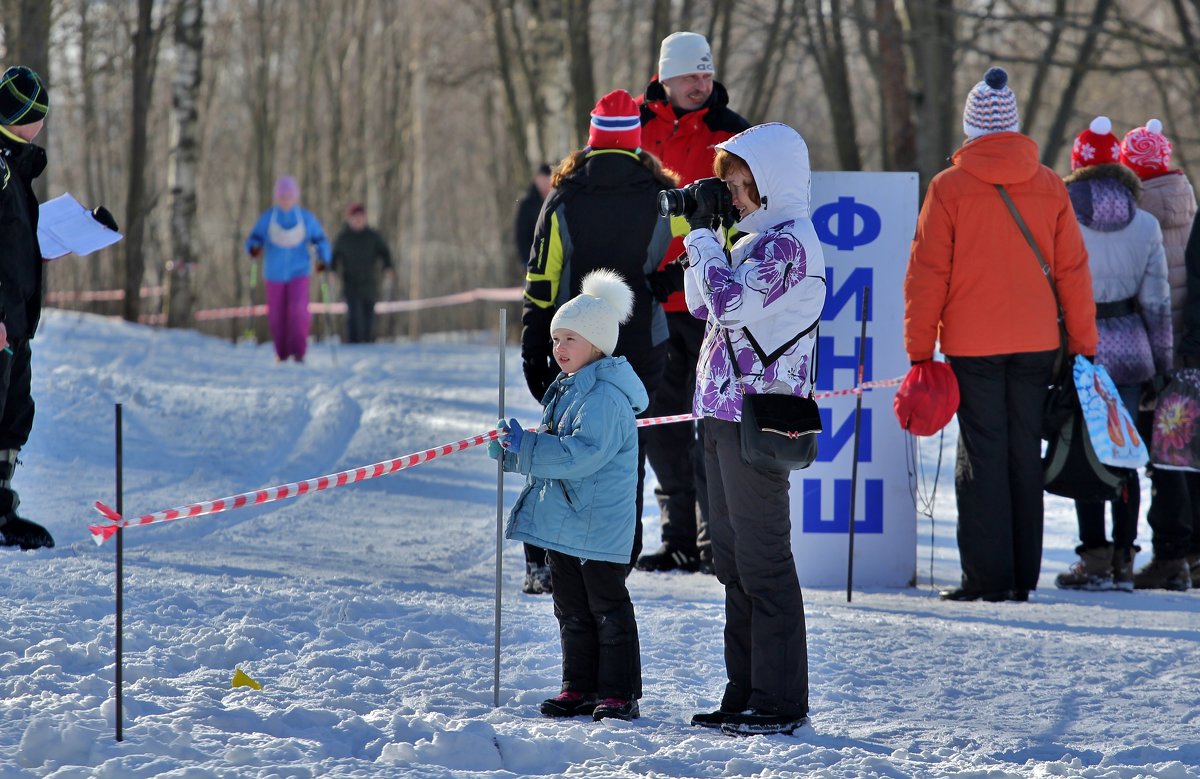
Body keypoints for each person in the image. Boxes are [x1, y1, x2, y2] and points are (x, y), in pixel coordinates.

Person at [904, 67, 1098, 602]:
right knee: (1021, 455)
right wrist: (1083, 346)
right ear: (1013, 128)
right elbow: (1073, 274)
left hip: (973, 346)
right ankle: (1020, 577)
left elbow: (927, 274)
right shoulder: (1049, 185)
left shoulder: (949, 188)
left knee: (982, 456)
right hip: (1039, 344)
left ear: (971, 128)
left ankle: (986, 578)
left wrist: (920, 350)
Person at [683, 122, 824, 736]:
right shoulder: (749, 243)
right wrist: (705, 238)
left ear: (773, 184)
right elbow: (697, 300)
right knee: (734, 565)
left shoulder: (792, 246)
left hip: (759, 422)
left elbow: (728, 304)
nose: (732, 198)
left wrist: (705, 241)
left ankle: (780, 698)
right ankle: (743, 690)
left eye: (741, 186)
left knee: (764, 562)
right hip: (720, 417)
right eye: (728, 186)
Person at [521, 89, 675, 570]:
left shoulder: (564, 196)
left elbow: (543, 277)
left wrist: (533, 340)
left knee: (564, 440)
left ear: (592, 139)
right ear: (634, 140)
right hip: (641, 346)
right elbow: (705, 247)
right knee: (627, 447)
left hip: (573, 346)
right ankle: (617, 557)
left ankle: (553, 558)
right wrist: (670, 280)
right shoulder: (662, 194)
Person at [492, 269, 647, 722]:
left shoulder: (604, 397)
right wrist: (513, 452)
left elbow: (580, 456)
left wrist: (532, 449)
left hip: (598, 526)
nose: (558, 348)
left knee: (606, 609)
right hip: (566, 524)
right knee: (571, 610)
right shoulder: (570, 389)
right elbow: (551, 450)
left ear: (597, 344)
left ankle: (618, 691)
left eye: (569, 339)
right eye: (556, 339)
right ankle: (577, 685)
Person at [636, 31, 750, 575]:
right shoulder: (636, 128)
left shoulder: (734, 132)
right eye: (691, 76)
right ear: (665, 78)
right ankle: (677, 536)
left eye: (706, 74)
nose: (702, 84)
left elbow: (748, 216)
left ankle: (712, 542)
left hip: (715, 301)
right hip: (654, 302)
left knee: (715, 422)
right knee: (661, 422)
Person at [1052, 116, 1170, 592]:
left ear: (1077, 166)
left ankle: (1094, 556)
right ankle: (1125, 557)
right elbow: (1158, 303)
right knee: (1125, 452)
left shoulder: (1062, 213)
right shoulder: (1145, 223)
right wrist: (1161, 369)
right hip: (1132, 349)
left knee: (1086, 451)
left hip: (1080, 347)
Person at [0, 65, 115, 550]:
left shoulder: (15, 165)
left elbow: (18, 238)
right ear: (32, 117)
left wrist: (73, 229)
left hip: (17, 317)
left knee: (13, 410)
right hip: (4, 315)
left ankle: (2, 508)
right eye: (40, 114)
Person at [1120, 119, 1200, 591]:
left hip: (1154, 351)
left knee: (1161, 460)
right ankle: (1192, 553)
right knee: (1186, 455)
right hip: (1191, 351)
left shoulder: (1136, 215)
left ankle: (1169, 553)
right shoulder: (1188, 200)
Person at [244, 176, 331, 362]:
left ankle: (299, 352)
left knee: (298, 310)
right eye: (282, 196)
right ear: (277, 197)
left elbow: (320, 239)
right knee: (276, 314)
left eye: (289, 195)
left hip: (299, 271)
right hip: (273, 273)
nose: (285, 199)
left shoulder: (305, 218)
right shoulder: (268, 218)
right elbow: (254, 238)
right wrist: (253, 247)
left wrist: (323, 256)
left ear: (295, 197)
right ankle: (281, 353)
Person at [328, 202, 394, 344]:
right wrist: (331, 271)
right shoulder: (343, 238)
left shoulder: (372, 236)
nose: (358, 220)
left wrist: (388, 267)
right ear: (350, 219)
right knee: (354, 318)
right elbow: (334, 256)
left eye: (361, 217)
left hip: (370, 284)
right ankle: (354, 345)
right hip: (351, 285)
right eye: (355, 217)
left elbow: (385, 252)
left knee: (369, 319)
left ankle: (368, 344)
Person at [513, 163, 552, 276]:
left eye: (548, 181)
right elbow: (521, 235)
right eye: (543, 181)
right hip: (532, 260)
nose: (545, 185)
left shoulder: (556, 201)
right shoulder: (527, 205)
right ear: (536, 180)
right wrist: (526, 261)